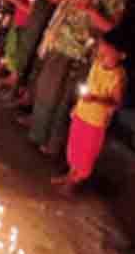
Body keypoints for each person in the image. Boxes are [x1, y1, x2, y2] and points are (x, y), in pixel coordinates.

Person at [29, 0, 129, 156]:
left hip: (84, 49)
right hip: (62, 39)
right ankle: (39, 134)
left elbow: (113, 28)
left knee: (66, 98)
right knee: (48, 88)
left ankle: (53, 146)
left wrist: (90, 11)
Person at [52, 31, 127, 190]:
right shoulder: (97, 64)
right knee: (75, 145)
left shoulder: (118, 76)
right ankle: (70, 175)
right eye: (103, 49)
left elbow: (116, 103)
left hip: (96, 120)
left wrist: (96, 99)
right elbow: (90, 84)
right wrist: (78, 105)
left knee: (86, 152)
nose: (104, 53)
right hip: (82, 112)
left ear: (121, 55)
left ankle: (74, 182)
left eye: (109, 51)